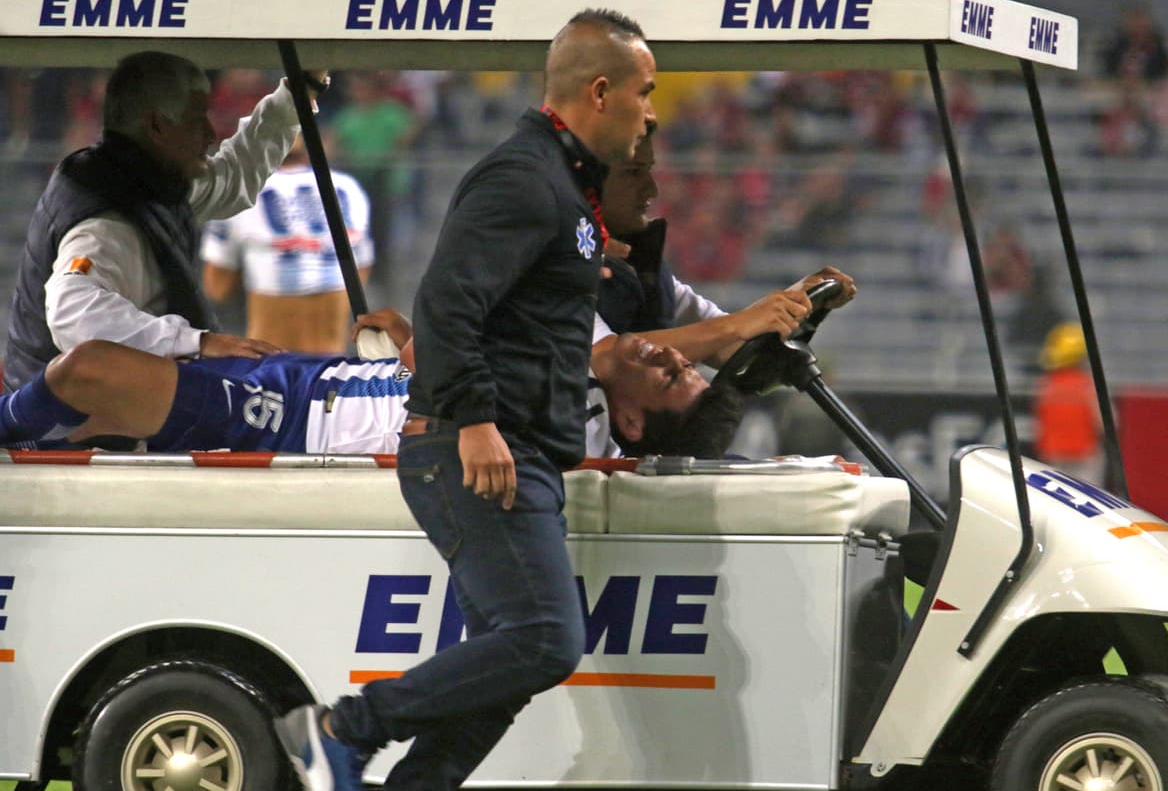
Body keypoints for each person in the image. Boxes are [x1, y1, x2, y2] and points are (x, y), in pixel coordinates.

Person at [275, 9, 659, 791]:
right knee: (546, 638)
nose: (652, 111)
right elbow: (448, 302)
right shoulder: (525, 178)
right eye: (645, 92)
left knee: (508, 658)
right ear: (599, 90)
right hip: (479, 447)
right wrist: (477, 421)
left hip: (516, 448)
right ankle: (345, 726)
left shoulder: (561, 184)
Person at [0, 309, 741, 460]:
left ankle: (4, 422)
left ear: (633, 424)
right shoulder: (579, 358)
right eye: (679, 359)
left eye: (671, 376)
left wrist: (419, 346)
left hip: (290, 424)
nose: (668, 357)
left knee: (91, 368)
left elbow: (451, 387)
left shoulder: (571, 427)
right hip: (311, 379)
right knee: (93, 414)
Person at [2, 50, 326, 392]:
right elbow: (72, 311)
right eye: (196, 118)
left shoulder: (146, 181)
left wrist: (299, 91)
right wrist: (196, 343)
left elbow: (233, 176)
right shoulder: (107, 221)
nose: (210, 133)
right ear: (157, 126)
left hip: (96, 421)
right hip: (70, 436)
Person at [595, 128, 855, 368]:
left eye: (649, 170)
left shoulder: (643, 263)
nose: (651, 188)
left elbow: (731, 350)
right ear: (588, 179)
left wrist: (796, 302)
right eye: (633, 172)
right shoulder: (563, 262)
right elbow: (601, 357)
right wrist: (736, 325)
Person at [201, 135, 374, 354]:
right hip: (332, 364)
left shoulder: (239, 194)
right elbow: (361, 273)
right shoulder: (348, 188)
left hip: (271, 367)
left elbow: (217, 288)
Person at [1032, 321, 1102, 483]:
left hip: (1054, 451)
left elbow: (1039, 422)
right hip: (1083, 452)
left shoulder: (1047, 384)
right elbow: (1103, 421)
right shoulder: (1087, 385)